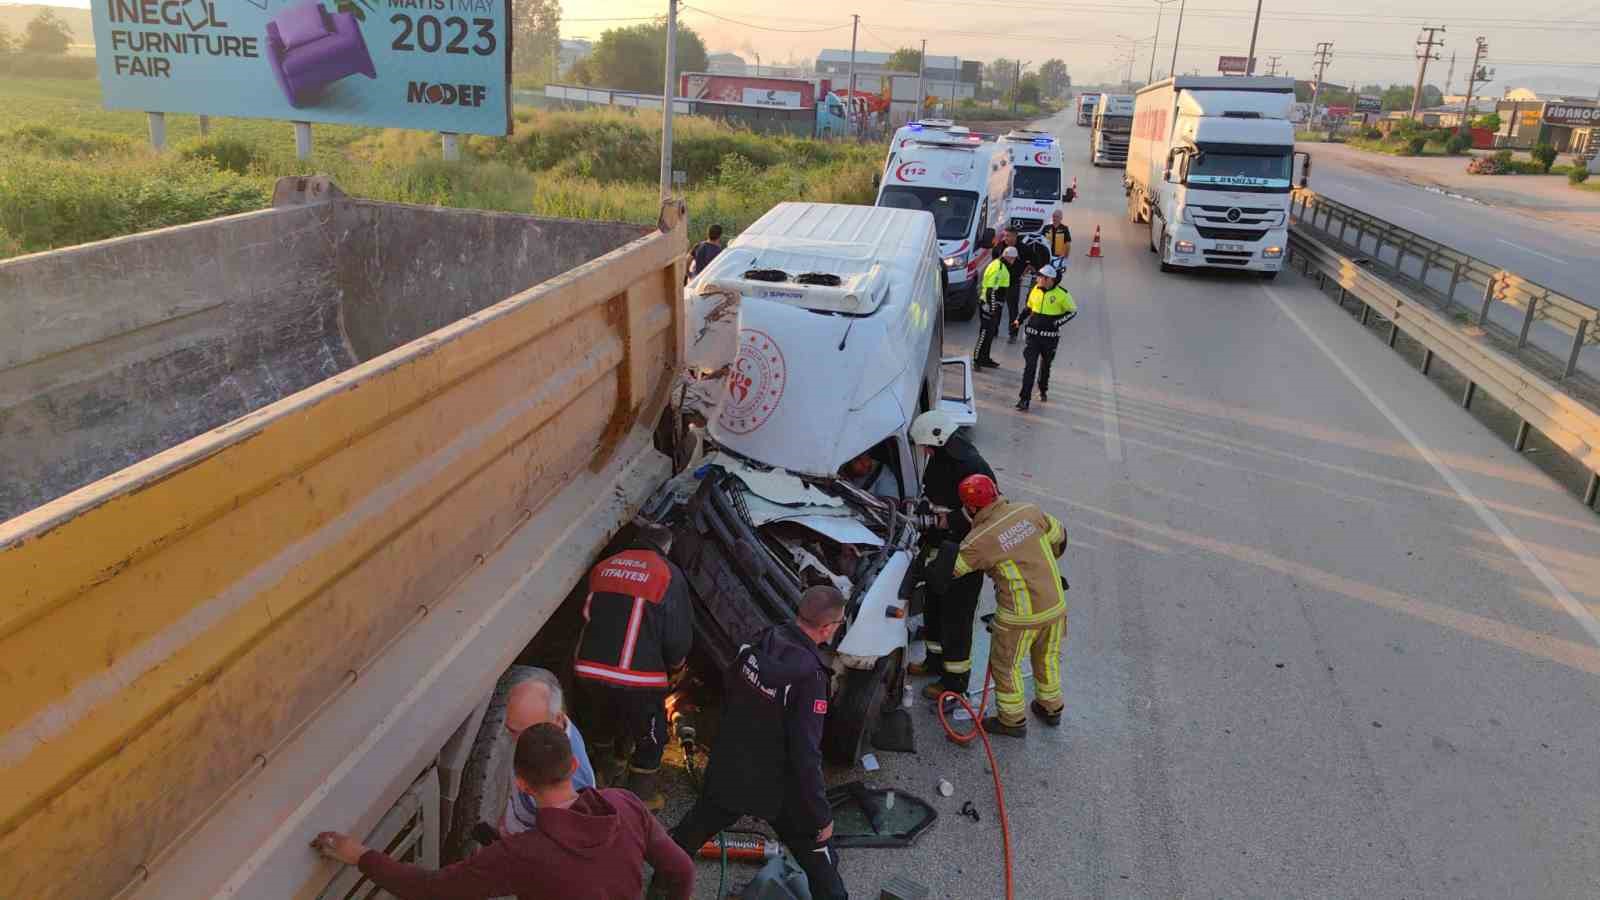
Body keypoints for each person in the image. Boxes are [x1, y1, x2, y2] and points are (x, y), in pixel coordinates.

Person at [313, 723, 695, 900]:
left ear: (522, 783)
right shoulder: (624, 804)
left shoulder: (522, 854)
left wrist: (356, 854)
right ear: (575, 767)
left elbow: (431, 889)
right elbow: (681, 869)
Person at [669, 586, 849, 900]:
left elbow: (731, 689)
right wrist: (821, 815)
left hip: (732, 769)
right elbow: (806, 755)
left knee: (687, 836)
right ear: (828, 628)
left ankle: (661, 888)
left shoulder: (763, 641)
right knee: (821, 863)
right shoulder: (810, 678)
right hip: (781, 789)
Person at [929, 474, 1067, 738]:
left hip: (1020, 615)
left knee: (1006, 665)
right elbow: (1060, 537)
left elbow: (950, 573)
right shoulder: (1029, 511)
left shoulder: (979, 540)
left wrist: (938, 556)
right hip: (1055, 603)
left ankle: (1012, 721)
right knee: (1047, 656)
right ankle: (1051, 708)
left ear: (970, 508)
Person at [573, 522, 692, 810]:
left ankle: (604, 772)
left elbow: (586, 613)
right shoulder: (668, 574)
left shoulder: (603, 566)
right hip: (638, 679)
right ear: (666, 548)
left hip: (588, 671)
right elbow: (677, 635)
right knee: (651, 735)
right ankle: (641, 798)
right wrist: (677, 666)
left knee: (602, 720)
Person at [907, 409, 996, 702]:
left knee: (956, 618)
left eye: (927, 447)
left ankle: (955, 681)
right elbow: (934, 492)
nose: (925, 452)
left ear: (939, 439)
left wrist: (946, 520)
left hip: (963, 553)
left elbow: (985, 513)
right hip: (939, 547)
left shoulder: (972, 466)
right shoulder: (943, 458)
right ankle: (934, 661)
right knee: (934, 607)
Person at [499, 669, 597, 836]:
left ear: (558, 720)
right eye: (511, 730)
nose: (518, 742)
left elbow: (559, 841)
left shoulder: (577, 783)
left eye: (529, 732)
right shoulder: (554, 733)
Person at [1012, 263, 1077, 412]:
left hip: (1050, 339)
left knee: (1045, 365)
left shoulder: (1062, 294)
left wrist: (1056, 322)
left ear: (1050, 280)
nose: (1038, 279)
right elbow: (1029, 307)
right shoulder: (1035, 290)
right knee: (1030, 367)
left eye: (1041, 277)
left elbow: (1072, 311)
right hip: (1033, 337)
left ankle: (1042, 389)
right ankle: (1024, 399)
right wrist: (1019, 320)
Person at [973, 246, 1015, 369]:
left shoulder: (998, 264)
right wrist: (991, 308)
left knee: (990, 333)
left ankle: (985, 358)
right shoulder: (999, 269)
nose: (1014, 261)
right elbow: (991, 290)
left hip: (993, 305)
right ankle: (976, 360)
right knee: (985, 333)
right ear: (1008, 257)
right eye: (1013, 259)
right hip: (988, 305)